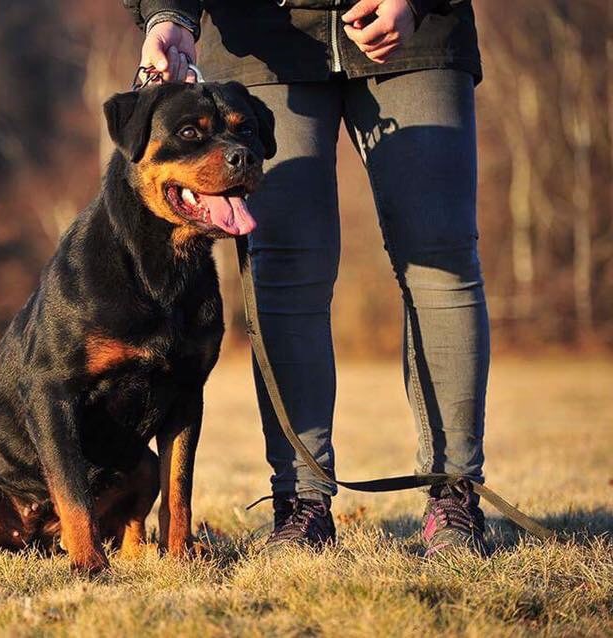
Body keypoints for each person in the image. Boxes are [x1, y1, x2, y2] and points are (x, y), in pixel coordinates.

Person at [122, 0, 489, 556]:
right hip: (264, 38)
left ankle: (454, 493)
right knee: (285, 268)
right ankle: (301, 502)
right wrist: (167, 15)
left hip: (421, 37)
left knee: (441, 258)